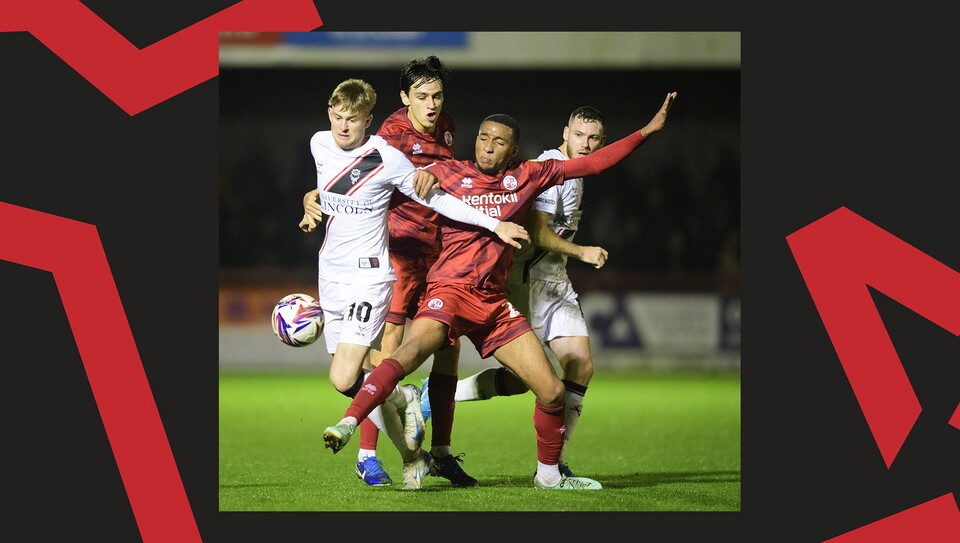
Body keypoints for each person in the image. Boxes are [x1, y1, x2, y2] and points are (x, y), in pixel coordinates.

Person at [321, 91, 677, 490]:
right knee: (406, 353)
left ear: (514, 150)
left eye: (499, 141)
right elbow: (371, 180)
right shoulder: (447, 171)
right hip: (449, 293)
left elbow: (593, 164)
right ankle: (350, 423)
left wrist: (646, 131)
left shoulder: (529, 174)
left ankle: (548, 476)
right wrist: (315, 195)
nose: (488, 146)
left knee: (552, 390)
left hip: (493, 303)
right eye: (483, 137)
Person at [302, 78, 529, 490]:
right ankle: (407, 429)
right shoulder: (322, 142)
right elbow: (335, 183)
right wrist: (309, 200)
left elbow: (439, 199)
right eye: (337, 117)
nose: (342, 126)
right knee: (352, 373)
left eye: (352, 119)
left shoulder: (391, 156)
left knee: (377, 366)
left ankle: (406, 444)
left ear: (366, 120)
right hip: (335, 275)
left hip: (375, 273)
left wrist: (494, 223)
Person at [448, 106, 611, 479]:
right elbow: (537, 233)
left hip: (555, 278)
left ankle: (555, 463)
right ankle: (438, 396)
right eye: (579, 135)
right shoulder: (550, 168)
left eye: (594, 139)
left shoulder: (577, 172)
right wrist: (581, 250)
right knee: (528, 380)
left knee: (581, 365)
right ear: (565, 132)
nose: (585, 144)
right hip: (527, 280)